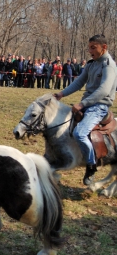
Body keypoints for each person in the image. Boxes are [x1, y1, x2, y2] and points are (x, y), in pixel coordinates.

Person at [54, 34, 117, 186]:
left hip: (99, 106)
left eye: (93, 48)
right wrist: (62, 93)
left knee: (79, 133)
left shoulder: (109, 65)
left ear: (104, 47)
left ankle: (91, 166)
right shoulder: (91, 64)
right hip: (87, 103)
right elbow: (79, 82)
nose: (90, 51)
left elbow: (103, 91)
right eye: (89, 47)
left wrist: (82, 105)